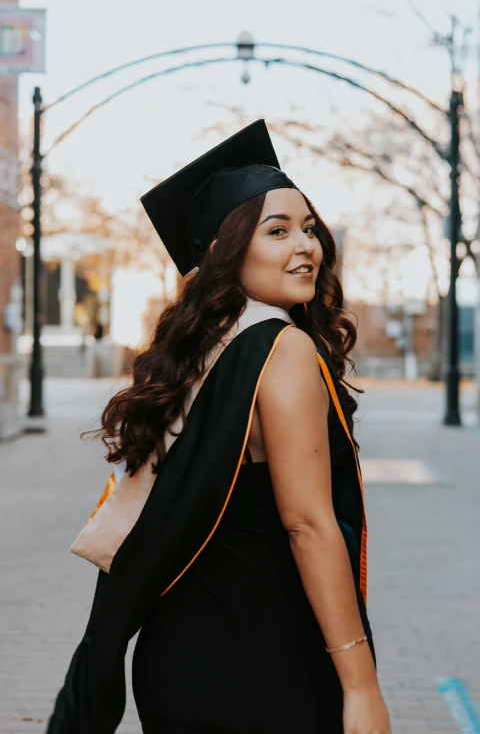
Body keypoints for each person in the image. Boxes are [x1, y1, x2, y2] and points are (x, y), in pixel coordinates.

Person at [47, 120, 391, 734]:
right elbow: (308, 524)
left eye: (309, 228)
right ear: (224, 251)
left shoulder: (202, 352)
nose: (306, 245)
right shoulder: (281, 350)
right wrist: (361, 686)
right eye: (277, 230)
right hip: (261, 667)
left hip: (175, 659)